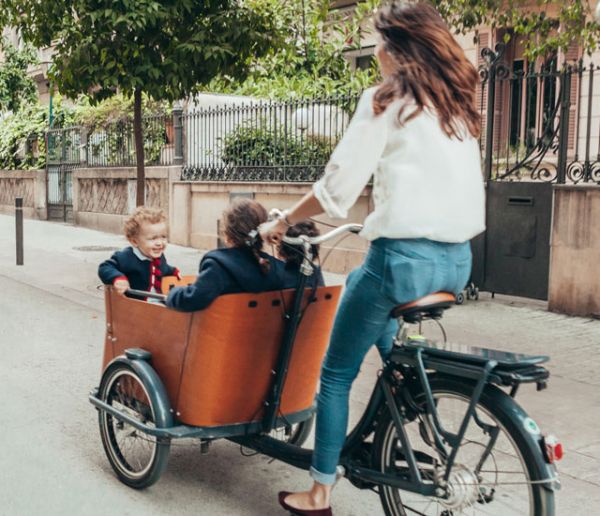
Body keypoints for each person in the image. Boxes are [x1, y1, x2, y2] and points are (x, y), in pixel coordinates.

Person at [259, 2, 485, 514]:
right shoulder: (456, 106)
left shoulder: (386, 100)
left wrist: (280, 222)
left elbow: (336, 191)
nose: (376, 51)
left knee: (336, 373)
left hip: (401, 261)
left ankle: (318, 491)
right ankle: (413, 413)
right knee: (380, 322)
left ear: (397, 50)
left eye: (380, 42)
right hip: (457, 263)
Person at [166, 198, 323, 312]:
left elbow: (193, 299)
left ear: (227, 234)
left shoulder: (218, 266)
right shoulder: (274, 269)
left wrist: (172, 294)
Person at [98, 207, 180, 299]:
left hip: (158, 302)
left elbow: (163, 268)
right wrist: (117, 278)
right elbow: (105, 267)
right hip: (135, 306)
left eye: (163, 237)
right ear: (134, 241)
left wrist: (173, 271)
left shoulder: (159, 257)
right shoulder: (126, 257)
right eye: (153, 238)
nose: (159, 243)